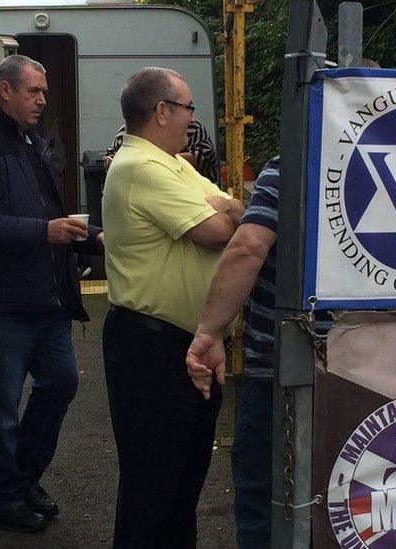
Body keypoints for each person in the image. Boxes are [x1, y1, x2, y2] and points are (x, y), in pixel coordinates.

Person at [0, 54, 103, 533]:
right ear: (5, 92)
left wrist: (88, 234)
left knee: (61, 383)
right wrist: (44, 232)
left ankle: (22, 478)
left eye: (44, 92)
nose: (42, 100)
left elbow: (49, 212)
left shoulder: (32, 141)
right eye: (33, 91)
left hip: (45, 296)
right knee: (2, 404)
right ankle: (3, 500)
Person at [101, 66, 244, 548]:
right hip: (151, 347)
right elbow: (219, 231)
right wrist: (218, 209)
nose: (192, 118)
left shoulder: (174, 164)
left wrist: (220, 207)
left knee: (182, 486)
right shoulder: (140, 167)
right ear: (161, 111)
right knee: (152, 488)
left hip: (188, 345)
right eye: (187, 108)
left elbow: (239, 210)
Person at [187, 156, 330, 548]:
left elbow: (248, 246)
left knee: (265, 500)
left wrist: (209, 331)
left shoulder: (295, 162)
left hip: (281, 368)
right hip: (365, 370)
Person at [103, 120, 221, 187]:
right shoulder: (129, 130)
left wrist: (155, 159)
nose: (192, 117)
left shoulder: (192, 127)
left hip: (191, 192)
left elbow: (206, 156)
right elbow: (109, 158)